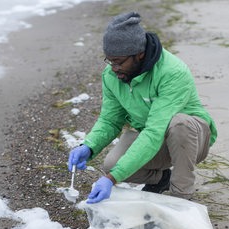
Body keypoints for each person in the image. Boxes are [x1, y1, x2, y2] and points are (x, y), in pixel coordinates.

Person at [67, 12, 217, 204]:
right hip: (155, 139)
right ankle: (162, 179)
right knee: (111, 164)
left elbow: (155, 130)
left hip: (192, 139)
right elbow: (110, 120)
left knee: (180, 124)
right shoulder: (112, 76)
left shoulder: (172, 72)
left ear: (140, 54)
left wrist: (112, 180)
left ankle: (182, 195)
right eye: (109, 60)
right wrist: (88, 146)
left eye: (119, 62)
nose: (113, 68)